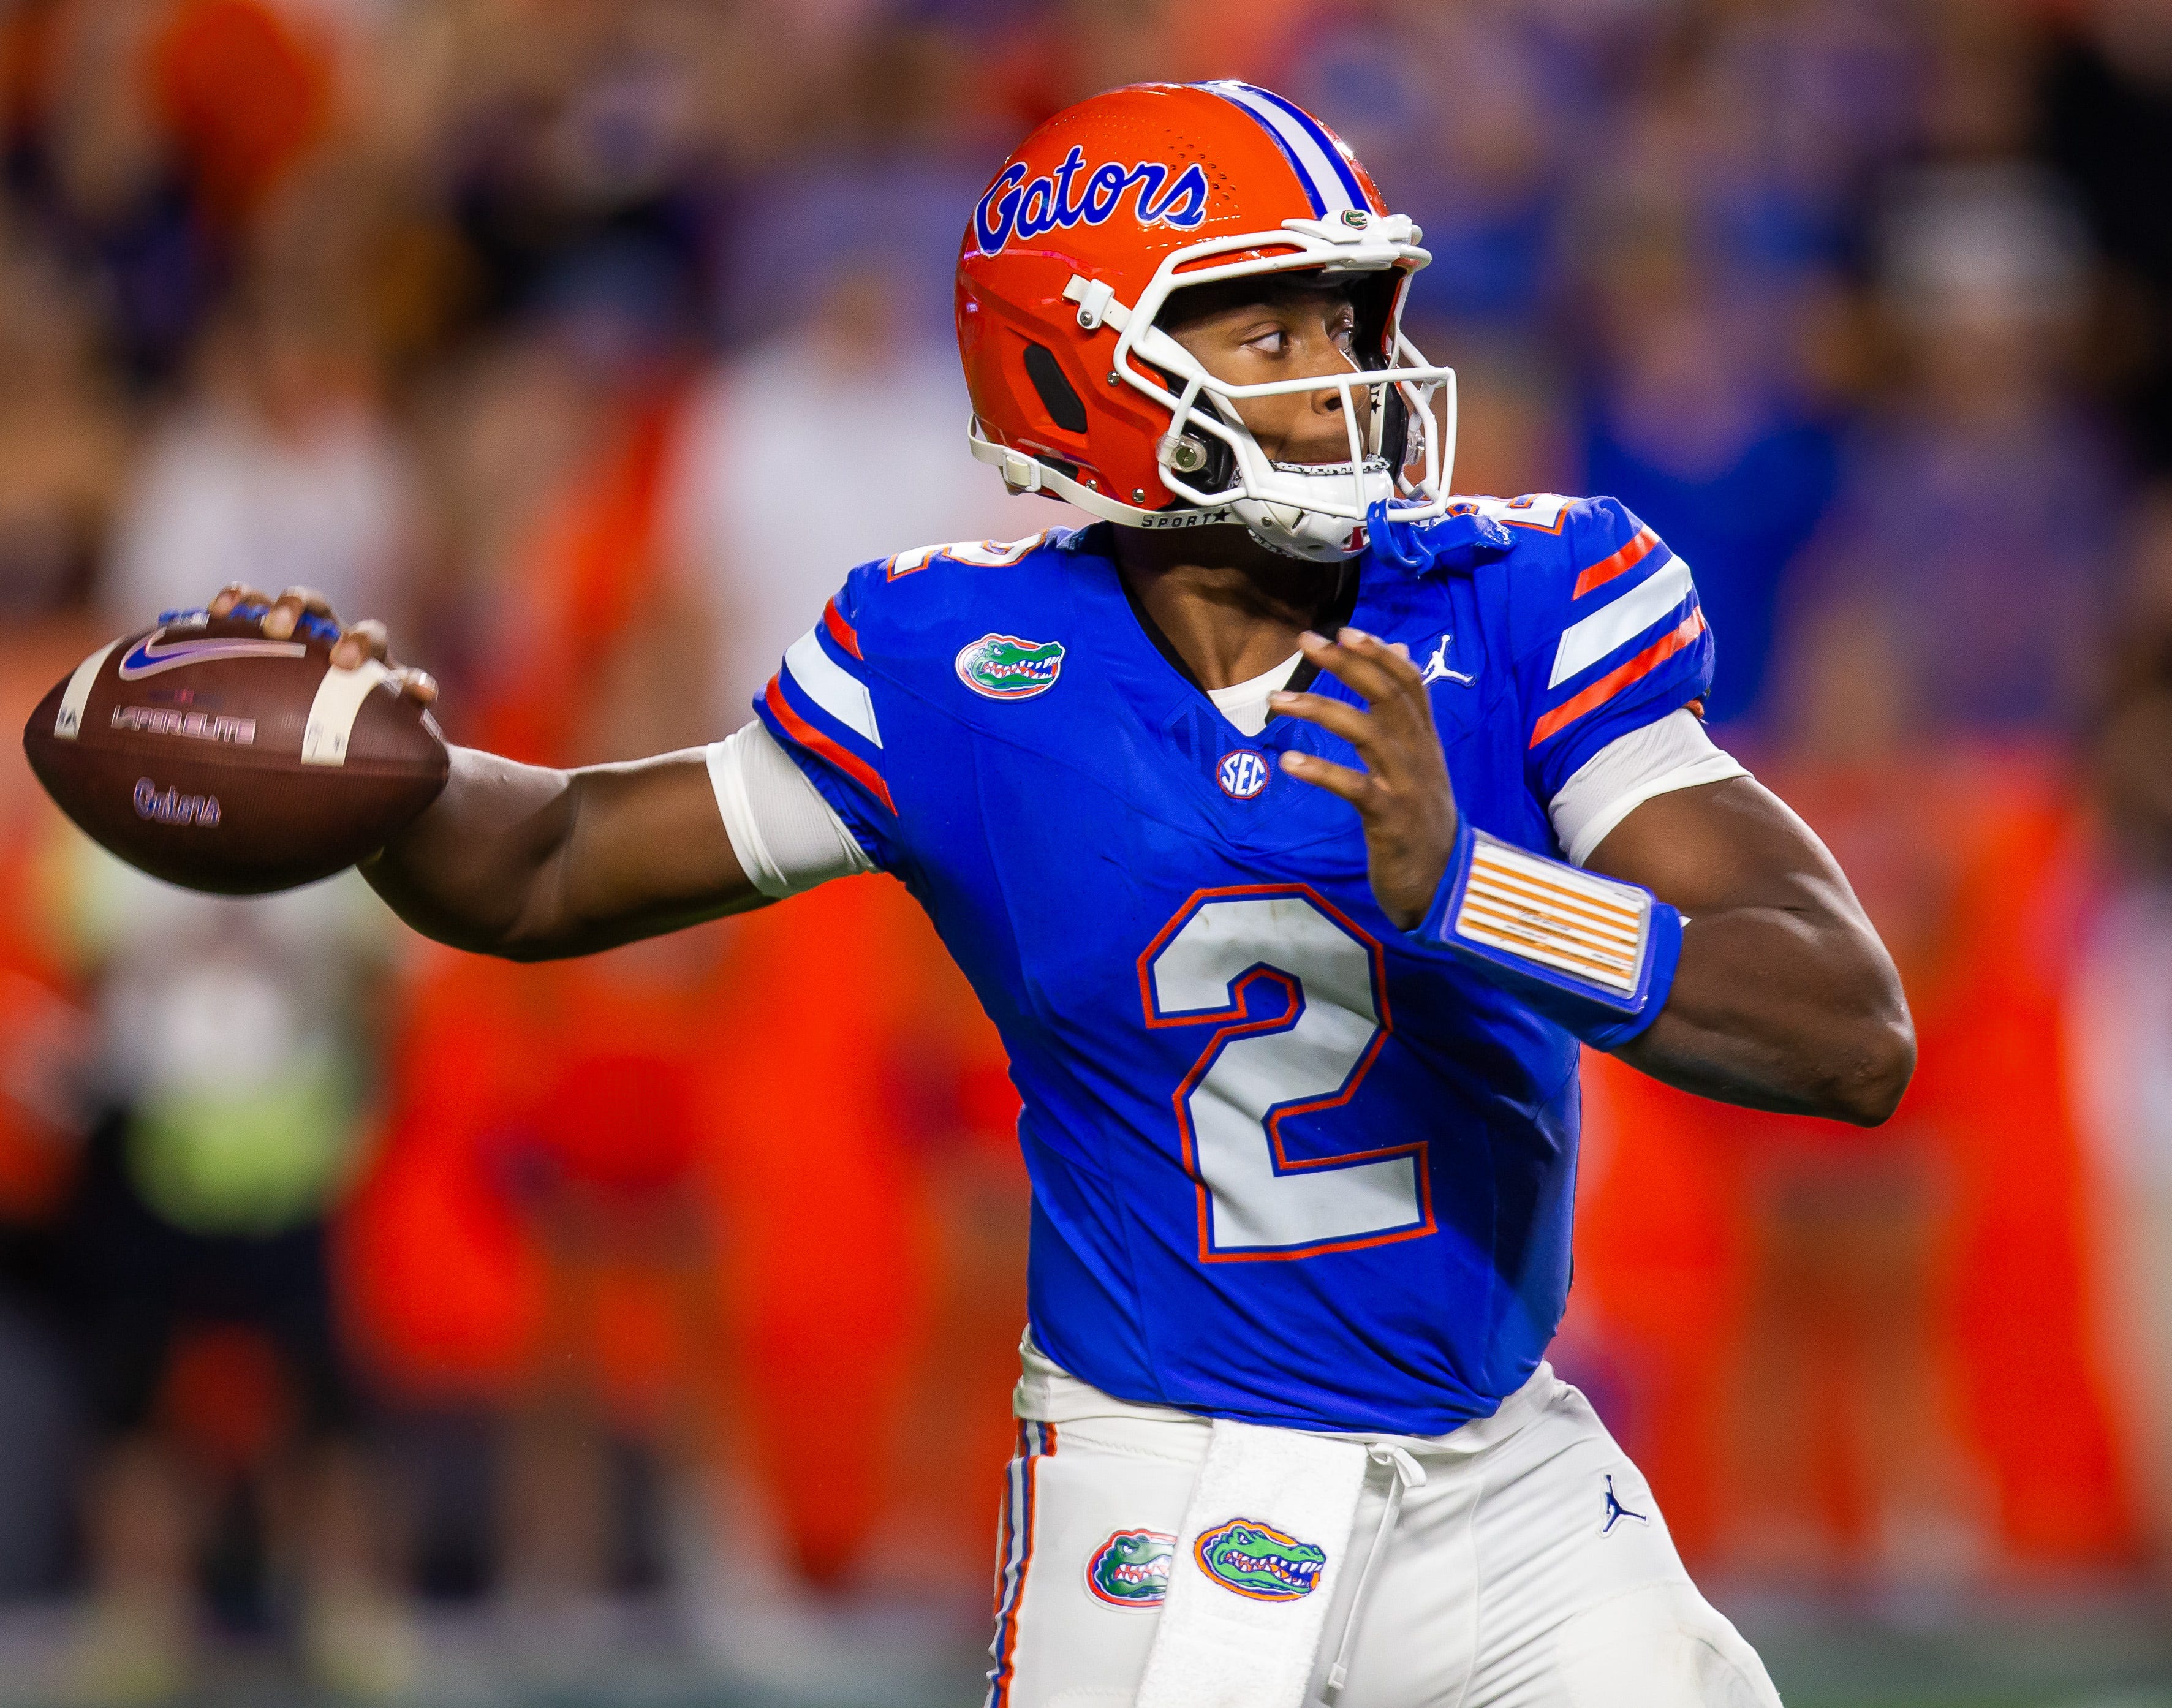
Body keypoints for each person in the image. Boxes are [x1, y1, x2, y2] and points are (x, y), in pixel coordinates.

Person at [199, 83, 1912, 1708]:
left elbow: (1845, 1027)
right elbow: (554, 858)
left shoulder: (1516, 605)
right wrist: (387, 774)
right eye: (1274, 330)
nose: (1348, 376)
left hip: (1507, 1468)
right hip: (1169, 1493)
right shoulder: (958, 667)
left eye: (1351, 320)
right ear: (1095, 371)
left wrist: (1474, 886)